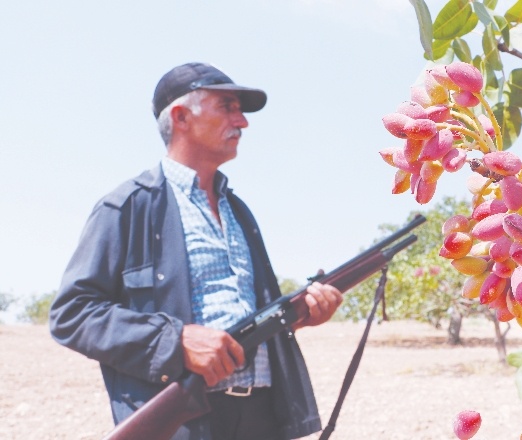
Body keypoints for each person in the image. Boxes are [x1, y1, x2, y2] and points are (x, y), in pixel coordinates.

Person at [49, 62, 343, 440]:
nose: (242, 122)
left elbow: (250, 314)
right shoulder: (127, 207)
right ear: (182, 116)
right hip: (186, 423)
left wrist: (301, 313)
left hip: (263, 418)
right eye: (227, 107)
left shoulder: (240, 212)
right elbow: (72, 314)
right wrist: (175, 341)